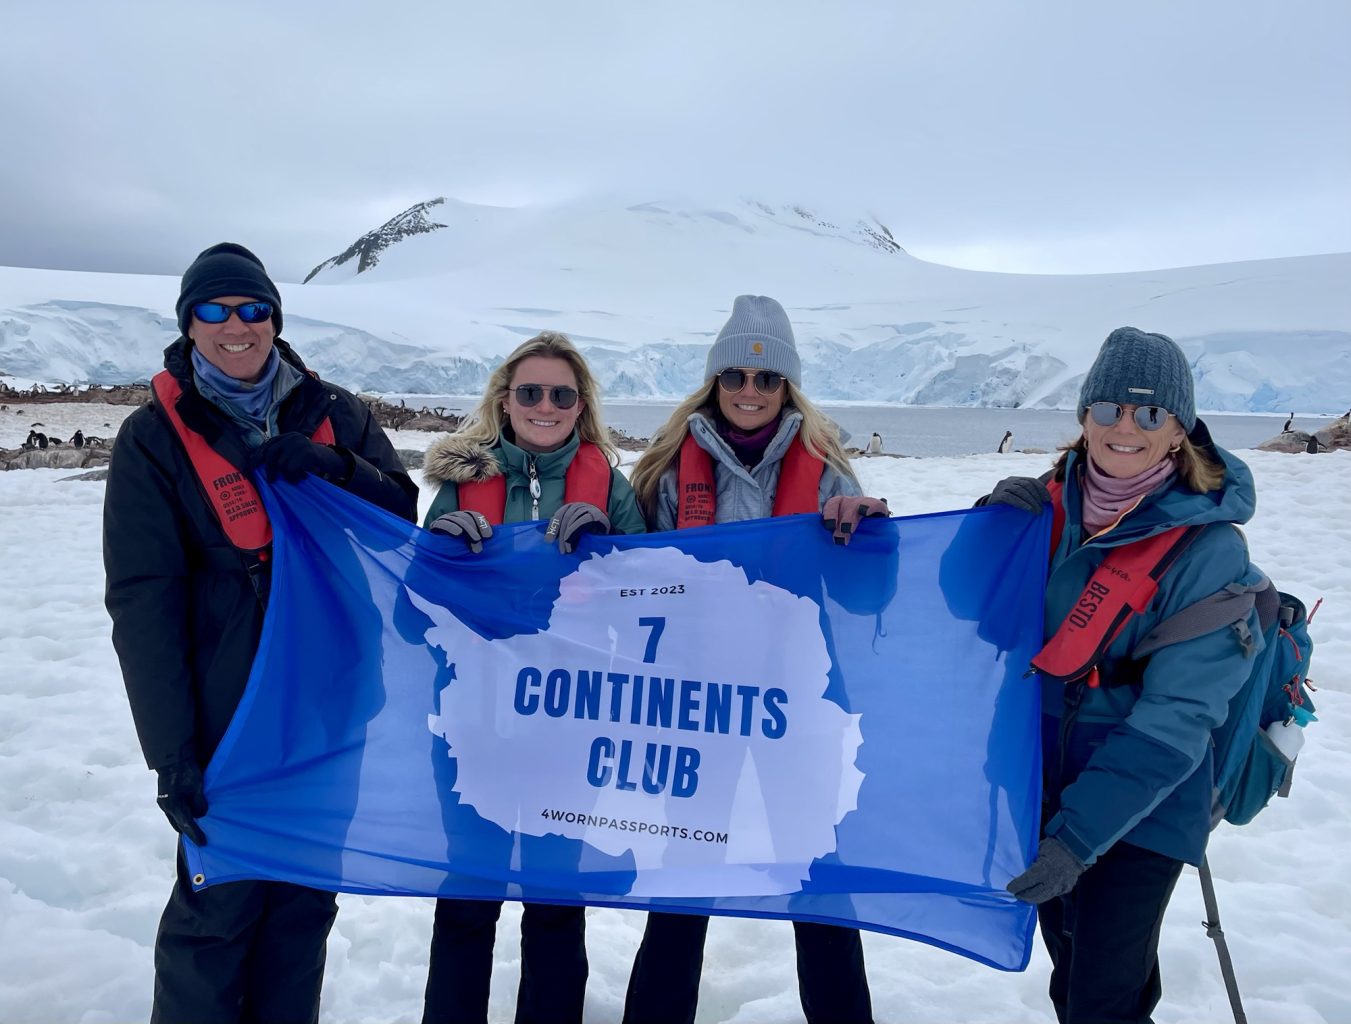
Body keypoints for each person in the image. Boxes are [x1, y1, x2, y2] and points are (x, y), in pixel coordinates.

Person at [103, 242, 419, 1024]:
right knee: (219, 914)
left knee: (303, 907)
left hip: (328, 708)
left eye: (252, 309)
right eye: (213, 310)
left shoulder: (337, 413)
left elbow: (397, 524)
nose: (234, 326)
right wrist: (172, 751)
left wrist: (337, 467)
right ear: (188, 324)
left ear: (275, 318)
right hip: (226, 718)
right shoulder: (153, 440)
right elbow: (143, 601)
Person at [981, 326, 1264, 1024]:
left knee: (1101, 995)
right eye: (1107, 409)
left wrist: (1077, 837)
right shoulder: (1045, 509)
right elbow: (983, 629)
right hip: (1039, 778)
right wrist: (986, 536)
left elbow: (1178, 717)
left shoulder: (1209, 547)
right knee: (1072, 968)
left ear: (1178, 429)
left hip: (1145, 798)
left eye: (1148, 413)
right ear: (1083, 417)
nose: (1124, 427)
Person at [623, 295, 888, 1024]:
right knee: (683, 878)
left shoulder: (829, 473)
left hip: (797, 703)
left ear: (785, 387)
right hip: (700, 705)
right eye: (735, 374)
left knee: (819, 881)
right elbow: (626, 576)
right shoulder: (666, 473)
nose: (748, 390)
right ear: (714, 381)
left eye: (765, 379)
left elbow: (867, 599)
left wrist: (870, 540)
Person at [419, 330, 646, 1024]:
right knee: (468, 896)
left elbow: (653, 603)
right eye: (529, 392)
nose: (544, 406)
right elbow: (411, 612)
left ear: (580, 407)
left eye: (560, 395)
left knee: (553, 901)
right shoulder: (463, 481)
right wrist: (437, 551)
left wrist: (610, 546)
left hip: (565, 722)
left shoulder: (607, 484)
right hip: (471, 722)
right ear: (504, 400)